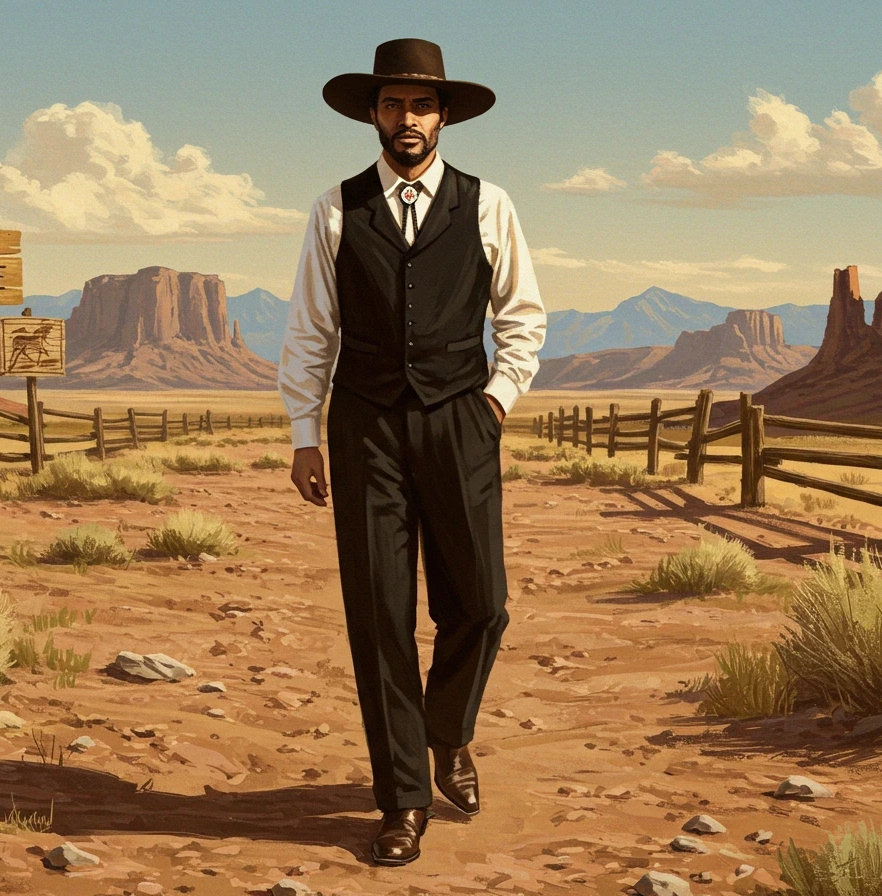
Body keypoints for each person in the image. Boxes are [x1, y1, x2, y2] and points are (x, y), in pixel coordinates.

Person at [277, 37, 546, 866]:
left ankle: (447, 732)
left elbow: (523, 316)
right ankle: (402, 801)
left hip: (460, 420)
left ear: (443, 117)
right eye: (391, 105)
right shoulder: (334, 209)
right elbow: (311, 329)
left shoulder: (488, 203)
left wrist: (495, 402)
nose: (406, 120)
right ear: (372, 115)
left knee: (482, 603)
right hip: (364, 428)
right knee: (380, 615)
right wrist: (303, 434)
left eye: (420, 106)